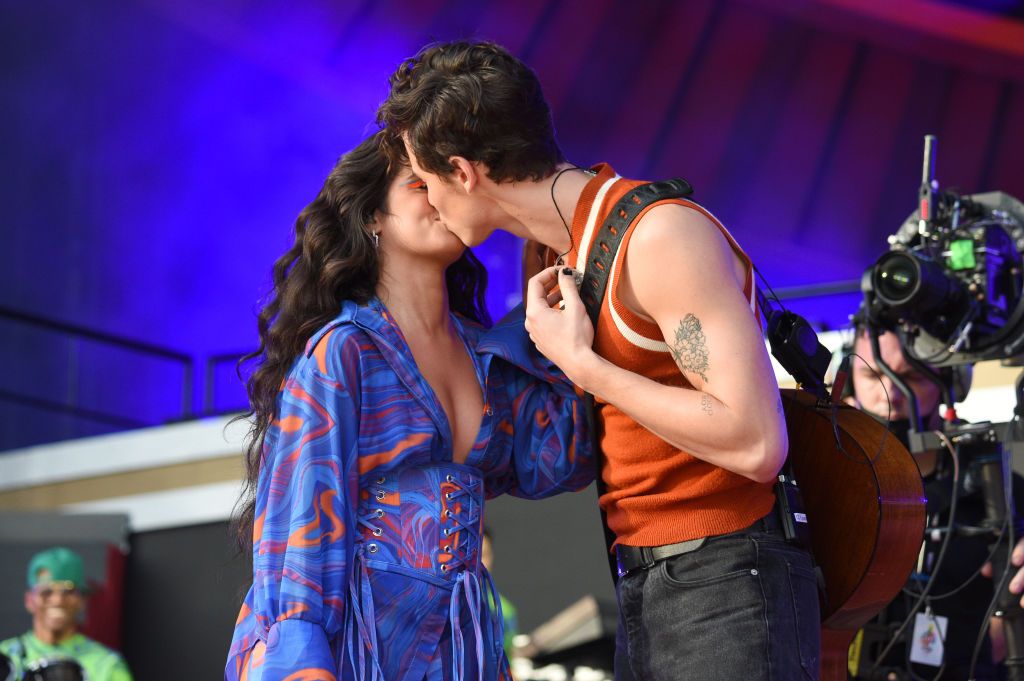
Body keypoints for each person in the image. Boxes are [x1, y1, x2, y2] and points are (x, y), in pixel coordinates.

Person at [377, 40, 818, 681]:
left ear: (464, 172)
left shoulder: (659, 235)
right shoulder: (550, 255)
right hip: (645, 577)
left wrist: (587, 369)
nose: (429, 201)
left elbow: (755, 441)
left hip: (726, 576)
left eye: (425, 180)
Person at [224, 131, 592, 681]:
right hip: (357, 654)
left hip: (457, 652)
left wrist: (559, 321)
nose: (441, 196)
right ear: (373, 216)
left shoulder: (482, 350)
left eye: (449, 181)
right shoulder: (344, 350)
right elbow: (298, 536)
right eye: (420, 184)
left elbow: (560, 459)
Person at [845, 324, 1020, 680]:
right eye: (872, 373)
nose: (891, 392)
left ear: (952, 383)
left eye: (911, 376)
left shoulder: (997, 476)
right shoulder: (825, 469)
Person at [0, 547, 132, 681]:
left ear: (82, 600)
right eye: (46, 592)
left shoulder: (106, 665)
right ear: (29, 600)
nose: (58, 600)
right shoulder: (6, 657)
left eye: (68, 592)